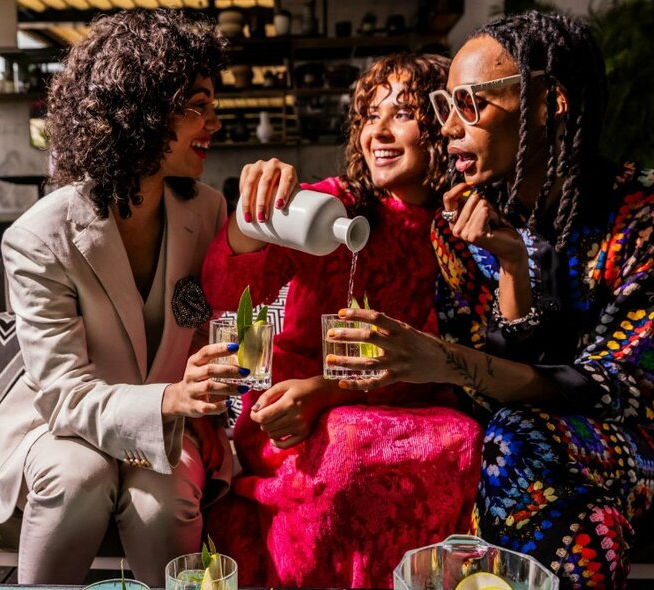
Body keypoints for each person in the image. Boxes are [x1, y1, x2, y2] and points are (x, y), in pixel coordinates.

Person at [328, 10, 654, 589]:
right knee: (515, 456)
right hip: (525, 459)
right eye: (444, 107)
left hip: (651, 456)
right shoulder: (461, 229)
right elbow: (484, 393)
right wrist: (514, 274)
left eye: (469, 103)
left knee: (515, 443)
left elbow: (620, 392)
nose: (447, 128)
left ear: (550, 103)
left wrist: (443, 359)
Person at [201, 53, 483, 588]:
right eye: (368, 115)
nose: (378, 130)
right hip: (292, 416)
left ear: (441, 125)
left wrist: (330, 389)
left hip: (398, 410)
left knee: (467, 438)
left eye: (402, 113)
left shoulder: (459, 232)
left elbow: (448, 364)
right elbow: (223, 289)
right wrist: (251, 216)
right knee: (349, 444)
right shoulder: (333, 209)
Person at [0, 10, 239, 585]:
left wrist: (205, 380)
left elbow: (207, 326)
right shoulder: (39, 237)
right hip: (61, 426)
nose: (215, 123)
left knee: (162, 500)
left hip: (169, 427)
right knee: (79, 478)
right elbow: (65, 395)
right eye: (198, 105)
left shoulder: (208, 210)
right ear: (141, 112)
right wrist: (170, 397)